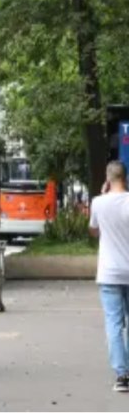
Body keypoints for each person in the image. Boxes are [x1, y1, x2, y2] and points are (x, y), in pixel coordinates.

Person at [89, 160, 129, 392]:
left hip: (109, 273)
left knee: (114, 324)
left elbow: (93, 231)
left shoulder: (98, 203)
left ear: (107, 179)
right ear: (125, 178)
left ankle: (122, 376)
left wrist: (101, 197)